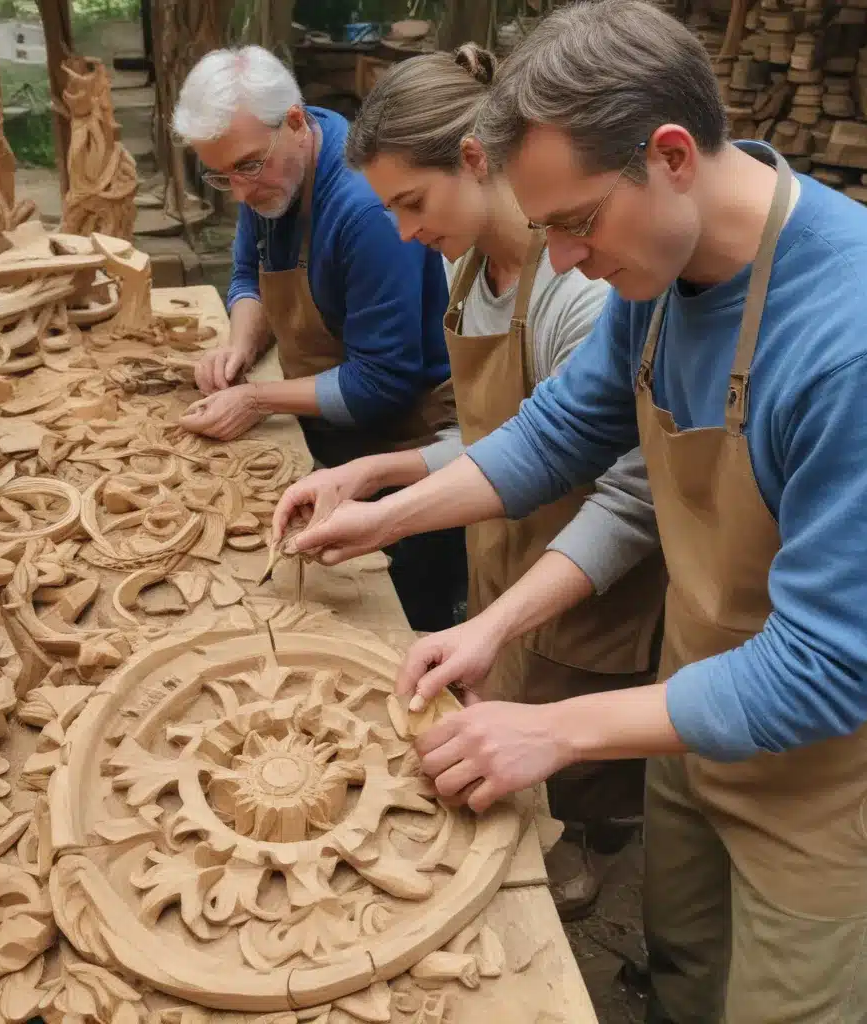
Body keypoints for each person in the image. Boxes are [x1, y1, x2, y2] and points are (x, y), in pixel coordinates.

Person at [278, 2, 867, 1021]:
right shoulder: (663, 269)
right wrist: (399, 523)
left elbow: (823, 668)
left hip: (815, 764)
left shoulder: (857, 341)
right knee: (684, 956)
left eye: (573, 221)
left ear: (668, 156)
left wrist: (558, 730)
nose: (561, 258)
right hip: (687, 702)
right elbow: (557, 430)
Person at [273, 44, 667, 920]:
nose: (405, 234)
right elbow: (512, 439)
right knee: (511, 722)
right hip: (506, 549)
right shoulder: (466, 271)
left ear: (477, 160)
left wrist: (396, 516)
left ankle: (587, 854)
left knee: (573, 772)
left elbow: (617, 485)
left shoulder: (588, 288)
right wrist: (384, 483)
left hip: (584, 573)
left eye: (413, 203)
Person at [172, 46, 466, 632]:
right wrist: (239, 345)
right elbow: (246, 275)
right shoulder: (269, 175)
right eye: (219, 174)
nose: (236, 191)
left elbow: (383, 382)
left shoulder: (365, 211)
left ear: (298, 123)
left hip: (406, 443)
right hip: (333, 438)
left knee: (391, 620)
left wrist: (256, 398)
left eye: (247, 167)